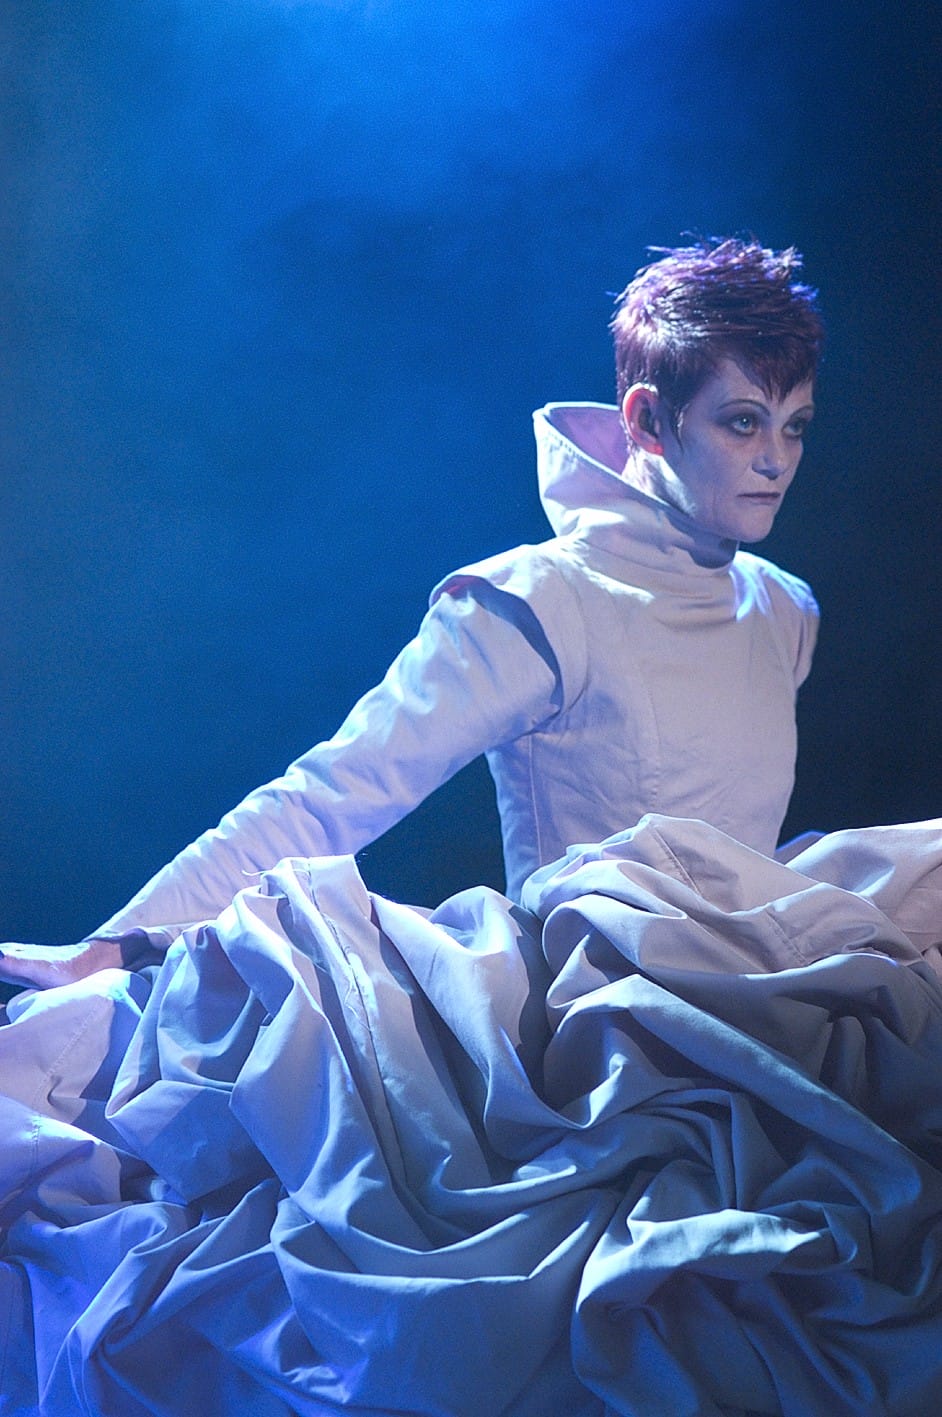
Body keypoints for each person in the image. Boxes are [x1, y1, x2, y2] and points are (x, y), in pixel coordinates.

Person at [0, 236, 823, 991]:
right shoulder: (540, 602)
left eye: (794, 427)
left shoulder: (784, 610)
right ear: (646, 420)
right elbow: (335, 792)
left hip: (759, 1003)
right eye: (743, 422)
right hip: (603, 1030)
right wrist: (117, 946)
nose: (776, 460)